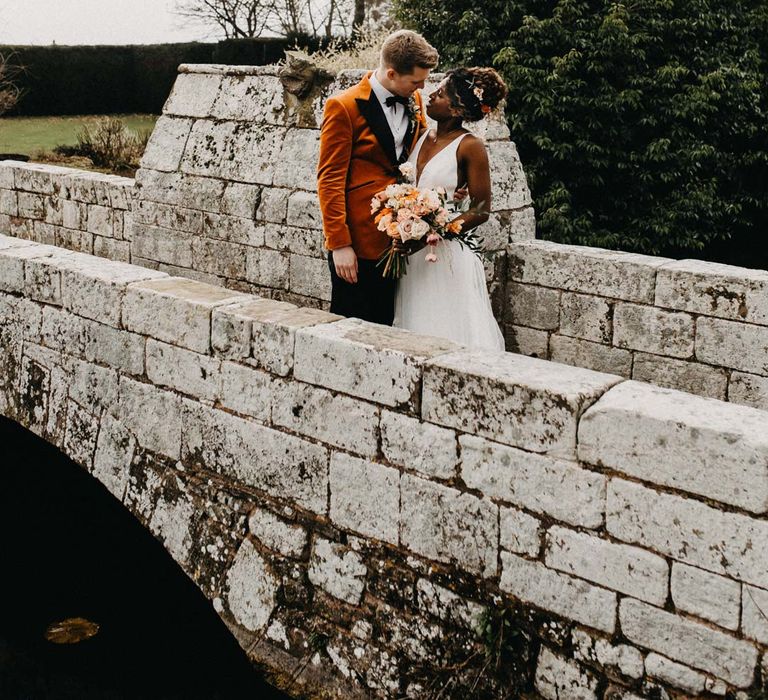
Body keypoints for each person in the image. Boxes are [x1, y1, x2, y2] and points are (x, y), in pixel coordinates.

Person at [317, 30, 438, 325]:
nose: (422, 87)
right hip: (357, 244)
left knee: (388, 326)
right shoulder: (343, 107)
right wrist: (339, 244)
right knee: (351, 327)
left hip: (399, 240)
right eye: (416, 81)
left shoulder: (415, 100)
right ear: (393, 73)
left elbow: (416, 155)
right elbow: (329, 180)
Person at [393, 67, 508, 351]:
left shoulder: (471, 147)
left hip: (442, 256)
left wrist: (432, 233)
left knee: (444, 333)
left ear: (457, 110)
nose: (430, 95)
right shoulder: (421, 134)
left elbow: (481, 209)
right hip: (412, 254)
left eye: (441, 93)